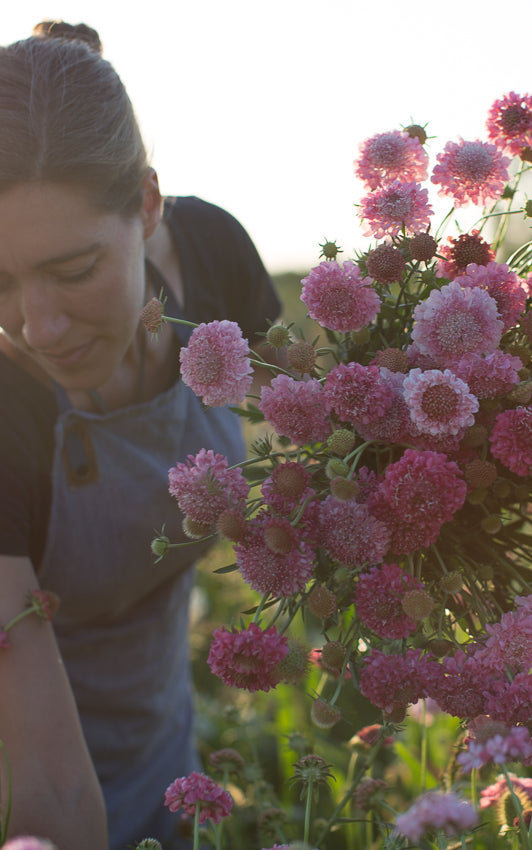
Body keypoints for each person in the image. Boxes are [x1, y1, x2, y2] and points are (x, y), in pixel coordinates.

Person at [0, 22, 282, 849]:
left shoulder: (211, 257)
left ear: (149, 205)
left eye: (75, 269)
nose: (38, 327)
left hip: (169, 760)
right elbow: (47, 784)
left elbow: (337, 436)